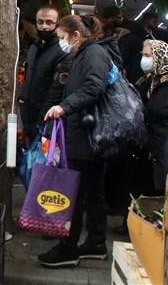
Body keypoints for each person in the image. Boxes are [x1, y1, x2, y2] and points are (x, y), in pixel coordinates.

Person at [42, 14, 111, 267]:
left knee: (74, 193)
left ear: (76, 36)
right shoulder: (85, 53)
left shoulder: (93, 55)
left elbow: (94, 87)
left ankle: (67, 248)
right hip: (84, 134)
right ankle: (95, 242)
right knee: (92, 192)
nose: (61, 42)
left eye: (62, 37)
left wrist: (64, 107)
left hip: (85, 136)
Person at [138, 39, 168, 193]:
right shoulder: (149, 82)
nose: (144, 60)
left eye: (148, 56)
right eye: (143, 55)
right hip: (151, 150)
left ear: (161, 57)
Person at [20, 5, 71, 143]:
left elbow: (57, 89)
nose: (44, 26)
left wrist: (43, 118)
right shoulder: (34, 47)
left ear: (57, 24)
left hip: (46, 118)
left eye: (49, 22)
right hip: (28, 115)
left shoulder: (62, 51)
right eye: (40, 22)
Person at [101, 6, 144, 85]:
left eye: (107, 20)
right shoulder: (113, 27)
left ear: (112, 17)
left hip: (131, 68)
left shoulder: (134, 29)